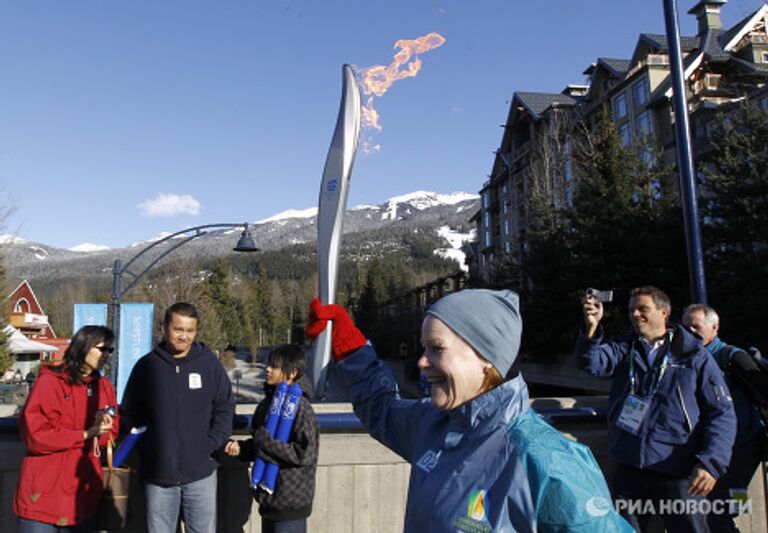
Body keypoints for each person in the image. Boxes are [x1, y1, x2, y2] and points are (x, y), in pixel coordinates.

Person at [306, 289, 632, 532]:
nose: (421, 361)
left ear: (487, 358)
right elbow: (381, 410)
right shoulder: (432, 424)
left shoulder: (547, 463)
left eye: (437, 349)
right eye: (423, 348)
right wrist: (348, 345)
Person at [575, 286, 737, 532]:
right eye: (632, 310)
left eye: (643, 309)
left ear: (664, 313)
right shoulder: (624, 348)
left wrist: (711, 463)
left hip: (678, 471)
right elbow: (590, 363)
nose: (636, 314)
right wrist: (591, 327)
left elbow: (721, 412)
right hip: (630, 468)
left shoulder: (693, 355)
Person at [120, 302, 235, 533]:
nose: (184, 336)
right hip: (158, 475)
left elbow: (225, 406)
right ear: (164, 328)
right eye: (178, 329)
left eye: (190, 330)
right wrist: (148, 449)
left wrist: (211, 444)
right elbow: (130, 412)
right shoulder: (147, 366)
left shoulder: (209, 364)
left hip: (201, 472)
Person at [14, 325, 118, 532]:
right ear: (84, 346)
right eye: (102, 348)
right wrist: (85, 434)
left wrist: (104, 429)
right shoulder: (50, 383)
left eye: (110, 350)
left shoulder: (104, 387)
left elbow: (110, 435)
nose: (107, 354)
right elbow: (34, 435)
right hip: (43, 497)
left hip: (83, 496)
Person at [682, 303, 766, 532]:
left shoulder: (732, 357)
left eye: (696, 327)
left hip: (741, 449)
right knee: (714, 513)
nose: (690, 333)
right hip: (712, 449)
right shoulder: (686, 359)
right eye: (686, 327)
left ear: (715, 327)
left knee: (719, 515)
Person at [224, 344, 319, 533]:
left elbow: (305, 454)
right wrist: (243, 449)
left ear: (291, 373)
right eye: (268, 365)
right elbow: (261, 443)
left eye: (274, 367)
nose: (267, 369)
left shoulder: (301, 408)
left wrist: (264, 442)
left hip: (291, 503)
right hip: (269, 500)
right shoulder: (267, 404)